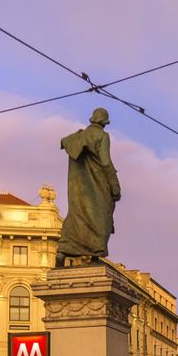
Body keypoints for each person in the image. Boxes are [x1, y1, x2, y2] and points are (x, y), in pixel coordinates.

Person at [55, 108, 121, 266]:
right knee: (101, 218)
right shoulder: (103, 136)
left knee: (76, 216)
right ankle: (95, 255)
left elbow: (65, 143)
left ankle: (62, 252)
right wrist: (115, 185)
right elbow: (105, 162)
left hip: (77, 188)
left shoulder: (76, 138)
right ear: (105, 122)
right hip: (98, 185)